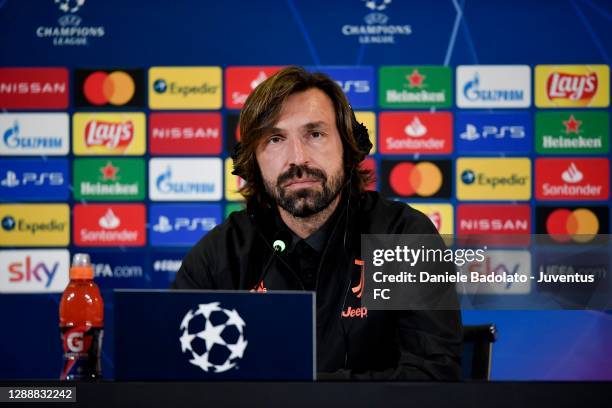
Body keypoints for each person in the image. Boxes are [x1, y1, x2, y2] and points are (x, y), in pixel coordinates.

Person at [172, 66, 462, 380]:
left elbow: (431, 379)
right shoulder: (223, 254)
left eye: (315, 134)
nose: (297, 158)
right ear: (253, 160)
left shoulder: (400, 237)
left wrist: (292, 393)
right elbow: (173, 374)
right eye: (275, 139)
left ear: (348, 146)